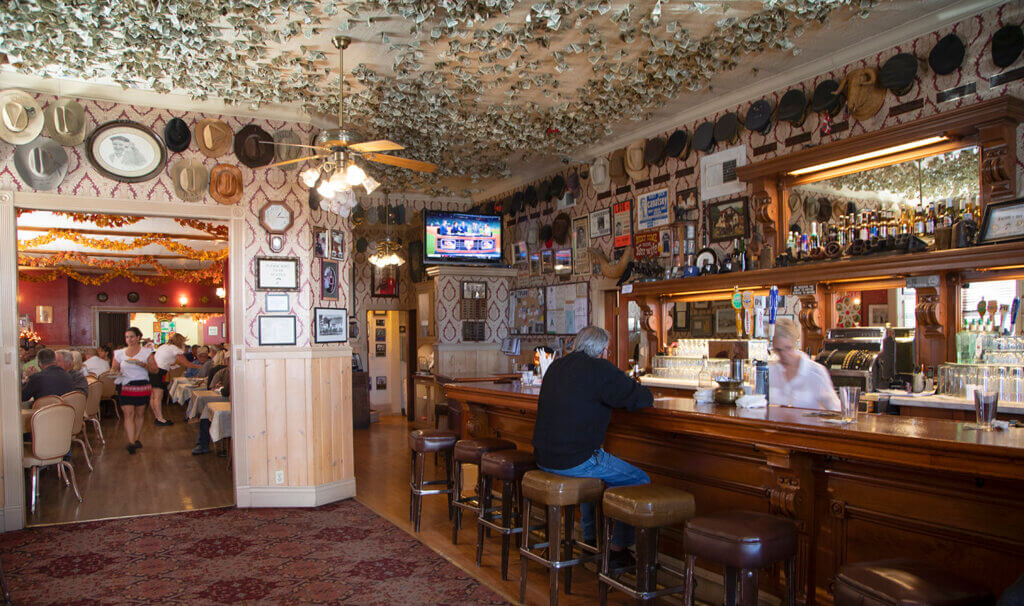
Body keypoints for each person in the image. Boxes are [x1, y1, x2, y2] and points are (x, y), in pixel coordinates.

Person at [532, 325, 653, 569]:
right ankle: (618, 550)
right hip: (574, 460)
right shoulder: (600, 369)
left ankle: (590, 538)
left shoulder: (556, 366)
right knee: (639, 480)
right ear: (604, 350)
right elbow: (641, 398)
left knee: (593, 479)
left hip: (543, 457)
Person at [768, 318, 841, 411]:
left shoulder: (816, 372)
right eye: (778, 350)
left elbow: (836, 410)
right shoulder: (770, 372)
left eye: (788, 348)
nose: (784, 354)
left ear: (795, 344)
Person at [112, 327, 154, 454]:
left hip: (142, 385)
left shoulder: (147, 352)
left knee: (140, 414)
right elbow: (113, 368)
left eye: (131, 336)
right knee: (128, 413)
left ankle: (136, 438)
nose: (129, 339)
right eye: (127, 337)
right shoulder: (119, 353)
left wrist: (144, 365)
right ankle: (131, 442)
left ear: (138, 337)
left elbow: (155, 370)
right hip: (125, 385)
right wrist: (114, 372)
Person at [150, 332, 201, 426]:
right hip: (159, 372)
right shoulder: (175, 349)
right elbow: (187, 364)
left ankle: (157, 417)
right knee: (158, 396)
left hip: (152, 371)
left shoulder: (164, 346)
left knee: (153, 396)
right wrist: (199, 367)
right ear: (180, 341)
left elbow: (166, 361)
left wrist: (175, 365)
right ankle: (160, 419)